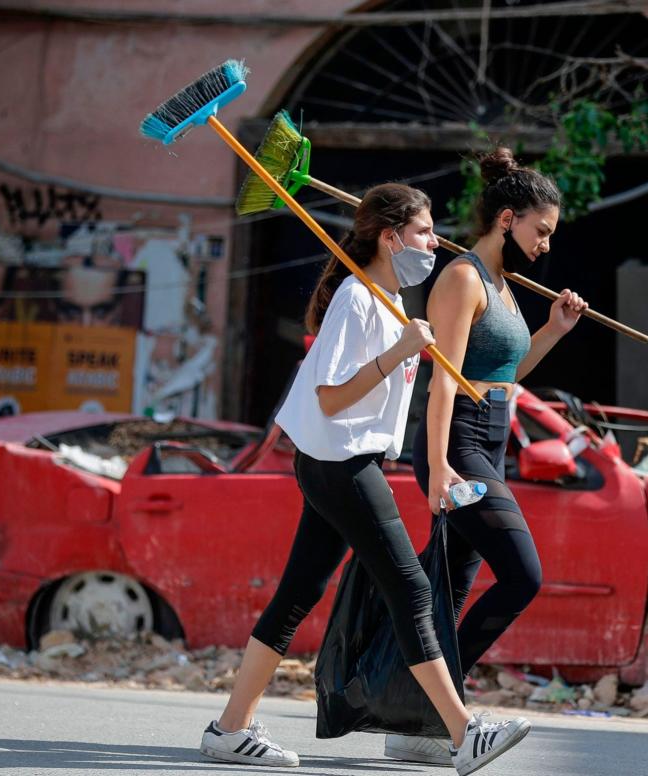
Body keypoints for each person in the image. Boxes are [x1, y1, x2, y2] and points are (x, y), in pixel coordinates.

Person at [199, 183, 530, 775]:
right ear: (390, 236)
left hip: (349, 461)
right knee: (411, 587)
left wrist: (407, 338)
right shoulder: (357, 297)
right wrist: (399, 349)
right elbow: (329, 398)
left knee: (300, 592)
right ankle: (463, 733)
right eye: (425, 232)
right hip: (337, 461)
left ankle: (230, 728)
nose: (435, 242)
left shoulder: (392, 297)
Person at [387, 149, 587, 766]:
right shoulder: (462, 278)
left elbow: (505, 374)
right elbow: (444, 380)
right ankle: (456, 722)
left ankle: (416, 720)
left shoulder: (503, 285)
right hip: (461, 441)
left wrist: (552, 330)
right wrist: (441, 466)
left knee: (452, 586)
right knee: (523, 574)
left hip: (492, 436)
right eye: (541, 230)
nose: (547, 246)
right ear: (508, 219)